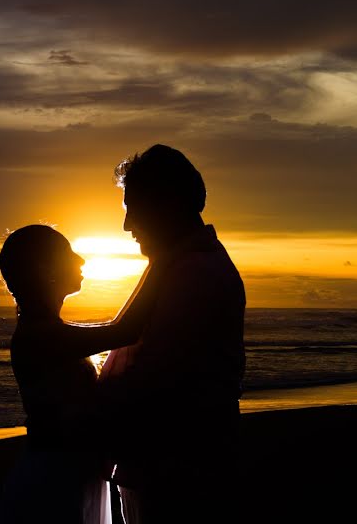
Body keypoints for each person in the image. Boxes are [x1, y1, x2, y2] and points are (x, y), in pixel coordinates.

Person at [97, 145, 247, 523]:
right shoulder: (175, 265)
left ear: (167, 204)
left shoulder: (195, 273)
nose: (127, 225)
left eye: (134, 208)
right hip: (166, 465)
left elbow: (161, 380)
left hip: (176, 472)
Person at [0, 224, 159, 524]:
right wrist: (161, 261)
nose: (81, 260)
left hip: (68, 475)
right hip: (51, 484)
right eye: (68, 253)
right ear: (44, 269)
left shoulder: (46, 331)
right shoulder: (39, 336)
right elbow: (125, 331)